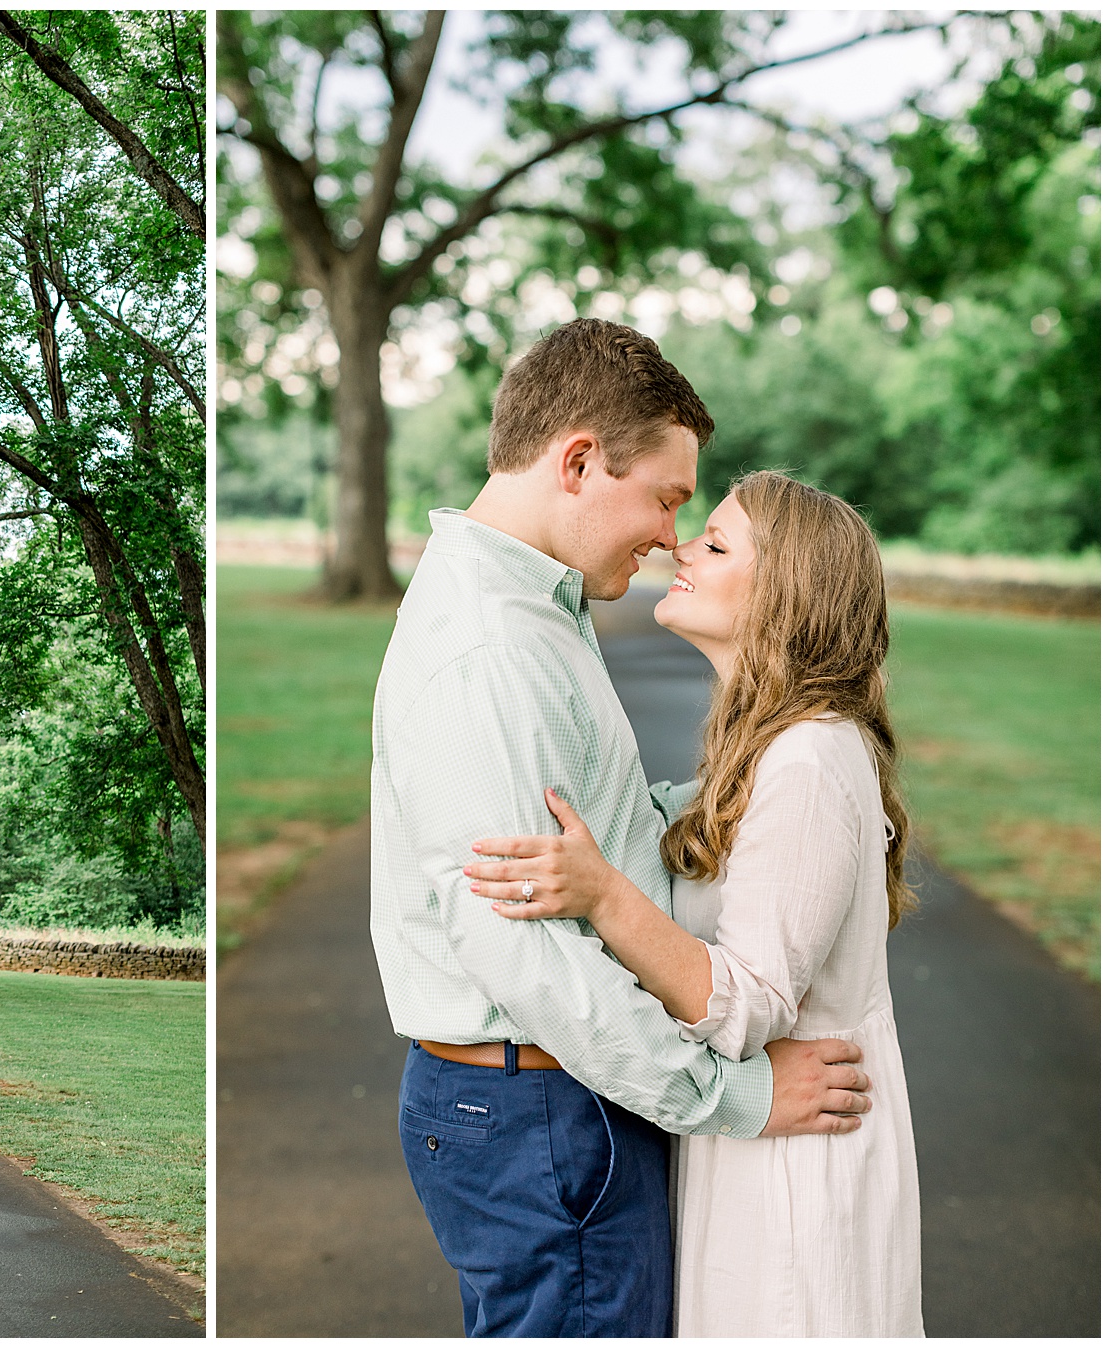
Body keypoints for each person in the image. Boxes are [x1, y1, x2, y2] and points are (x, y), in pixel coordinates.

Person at [369, 318, 873, 1338]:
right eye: (667, 497)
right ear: (580, 461)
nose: (672, 536)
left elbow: (605, 816)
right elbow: (523, 957)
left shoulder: (540, 610)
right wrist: (735, 1096)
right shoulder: (492, 650)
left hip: (560, 1099)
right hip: (546, 1108)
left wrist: (775, 779)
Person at [469, 472, 923, 1336]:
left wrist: (602, 893)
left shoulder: (810, 761)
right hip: (759, 1144)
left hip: (800, 1164)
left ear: (786, 592)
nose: (680, 546)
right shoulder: (770, 750)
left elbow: (750, 1002)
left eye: (715, 544)